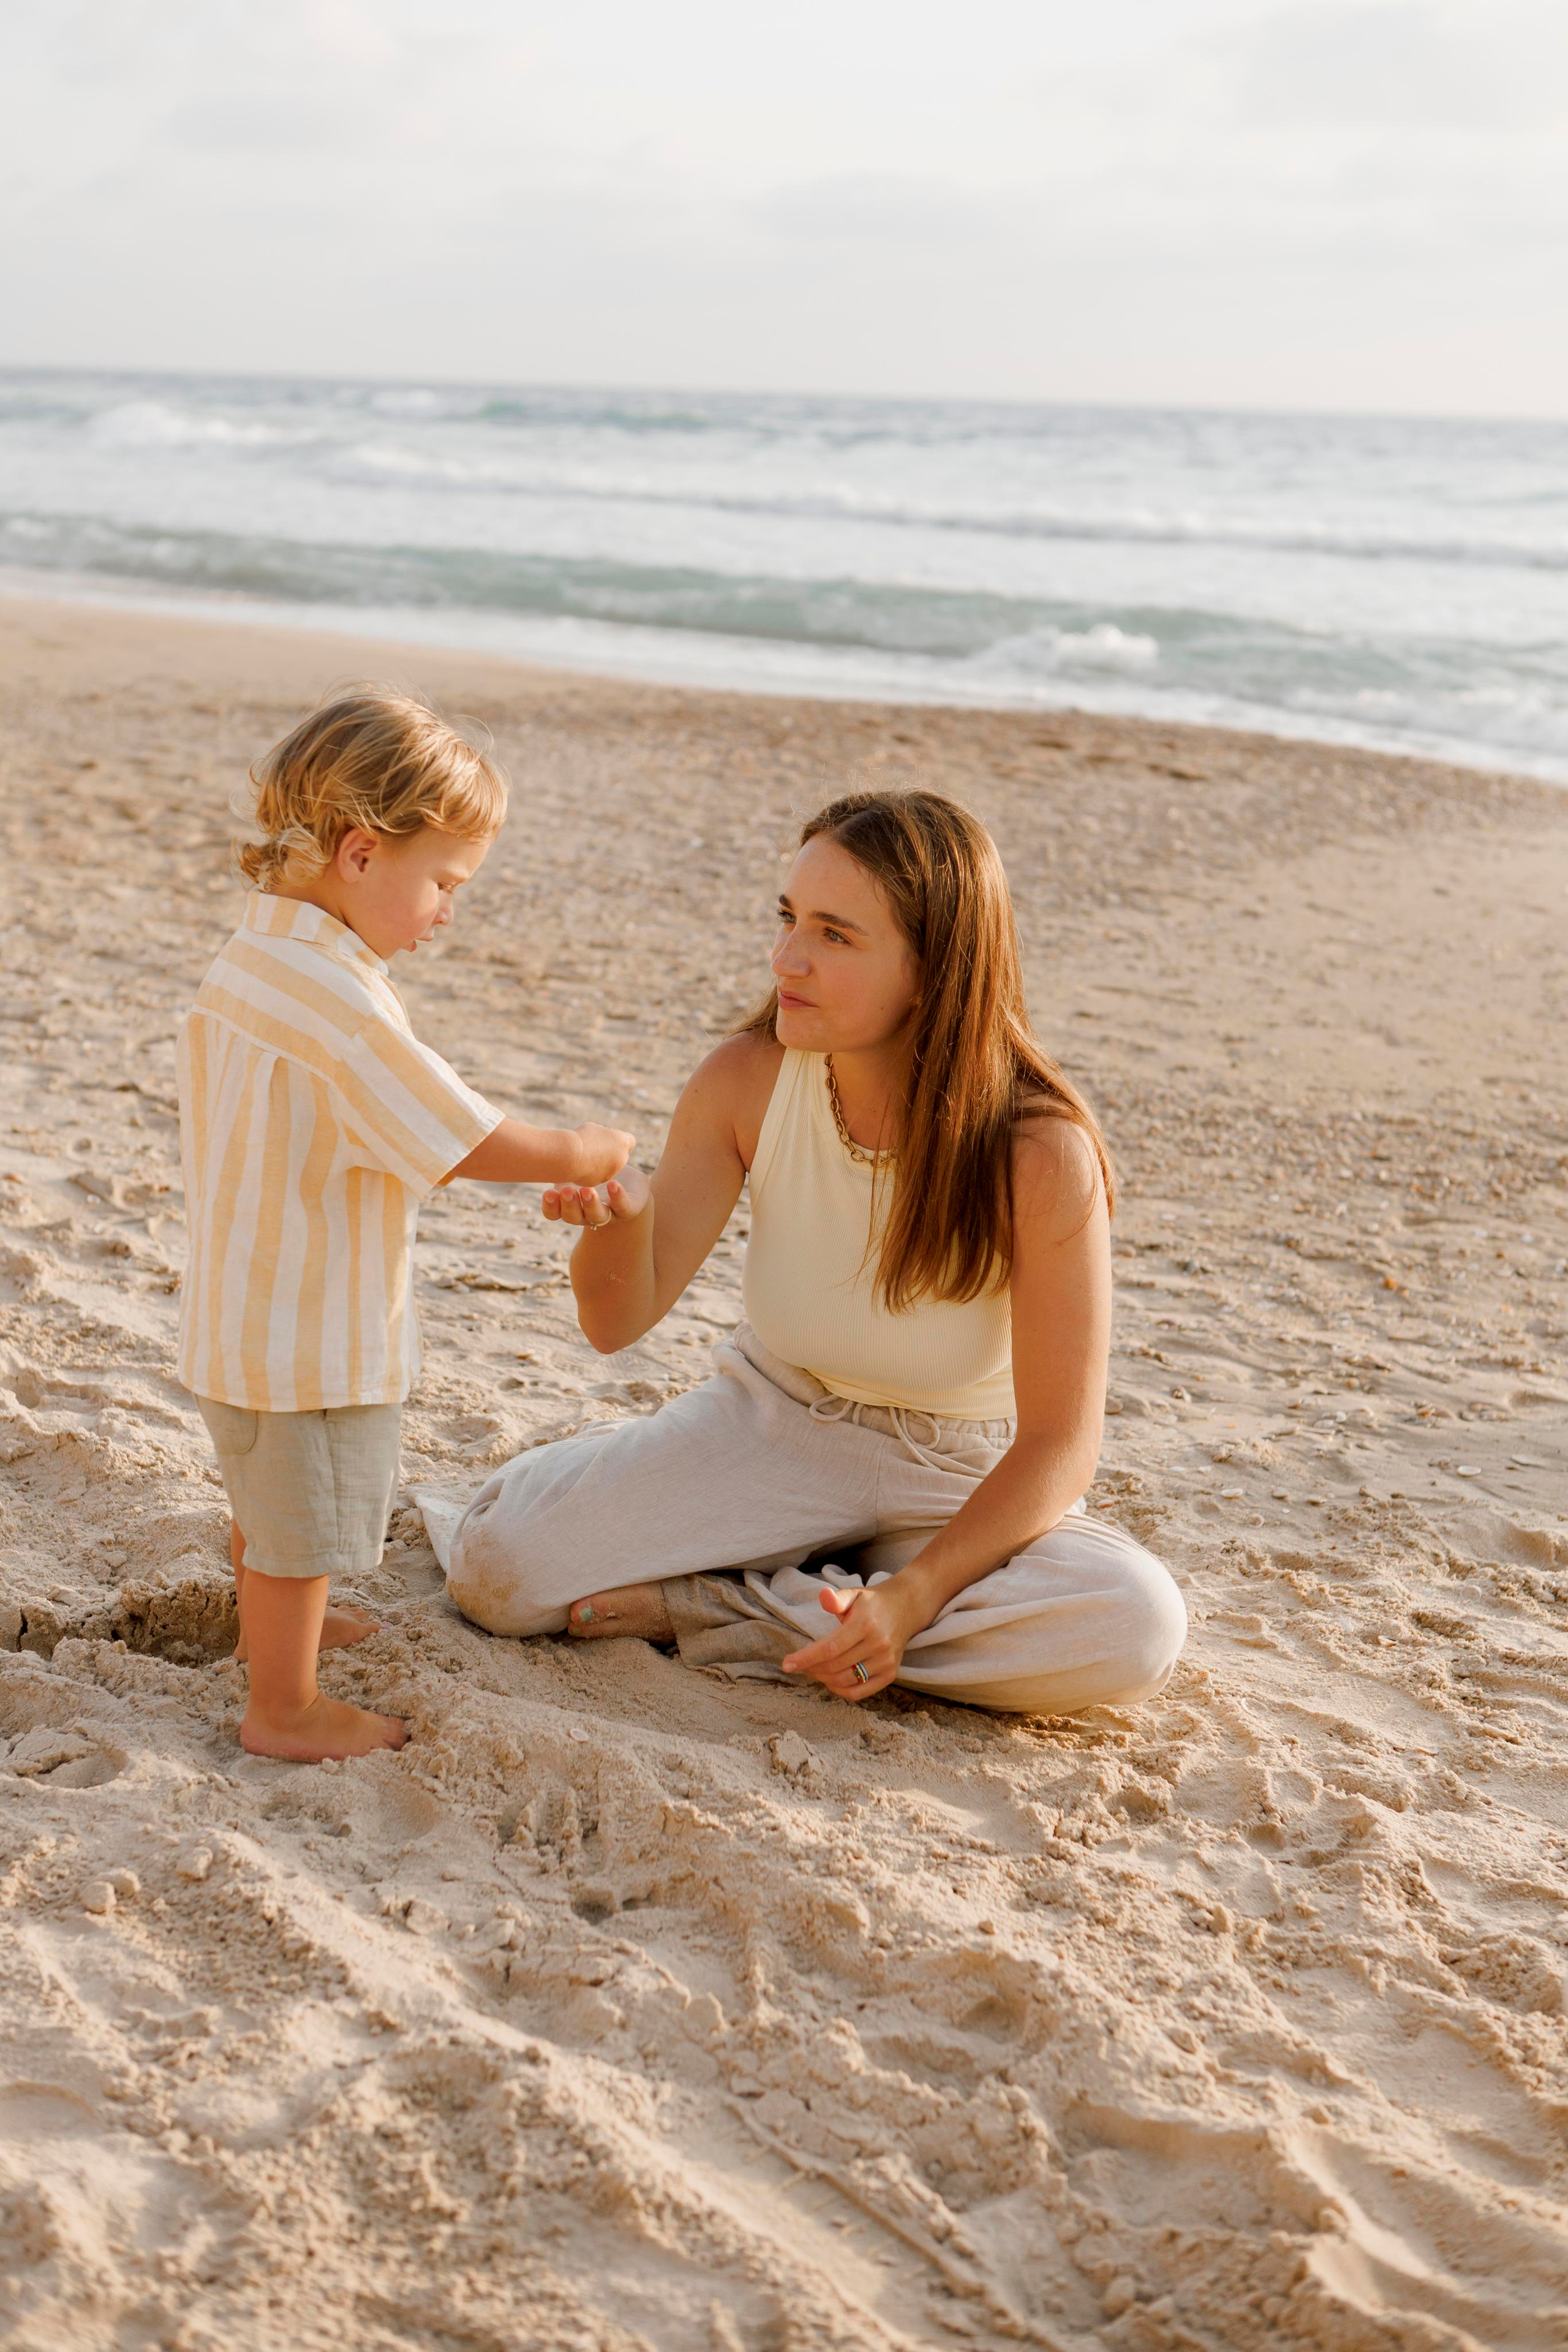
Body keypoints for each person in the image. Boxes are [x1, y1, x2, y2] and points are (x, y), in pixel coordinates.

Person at [443, 789, 1185, 1716]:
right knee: (496, 1570)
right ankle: (805, 1593)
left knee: (1133, 1625)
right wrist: (619, 1226)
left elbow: (1061, 1443)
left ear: (933, 968)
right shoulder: (745, 1081)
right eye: (789, 919)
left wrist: (914, 1599)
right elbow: (614, 1321)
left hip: (952, 1479)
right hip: (772, 1426)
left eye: (836, 935)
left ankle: (725, 1607)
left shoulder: (1039, 1152)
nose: (787, 958)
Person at [176, 686, 634, 1762]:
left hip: (237, 1302)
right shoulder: (339, 1000)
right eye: (443, 882)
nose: (447, 911)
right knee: (298, 1519)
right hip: (307, 1328)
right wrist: (582, 1152)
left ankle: (280, 1634)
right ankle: (283, 1704)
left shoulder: (257, 954)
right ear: (359, 852)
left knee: (265, 1503)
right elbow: (456, 1135)